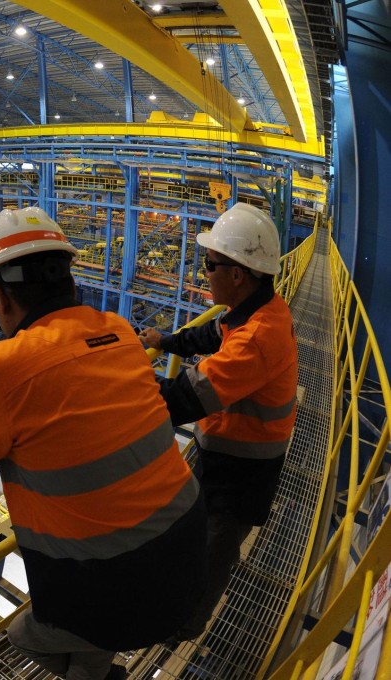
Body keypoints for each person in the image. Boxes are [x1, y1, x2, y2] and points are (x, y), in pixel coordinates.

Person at [0, 206, 207, 680]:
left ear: (3, 299)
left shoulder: (3, 367)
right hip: (189, 556)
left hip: (110, 588)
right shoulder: (118, 330)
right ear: (68, 283)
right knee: (92, 645)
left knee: (23, 634)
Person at [139, 202, 298, 639]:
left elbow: (182, 399)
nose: (203, 272)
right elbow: (212, 333)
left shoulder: (256, 341)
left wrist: (110, 387)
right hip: (227, 461)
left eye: (210, 265)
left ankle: (178, 634)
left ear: (237, 275)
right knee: (198, 542)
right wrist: (167, 341)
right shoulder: (259, 310)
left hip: (239, 480)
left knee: (210, 560)